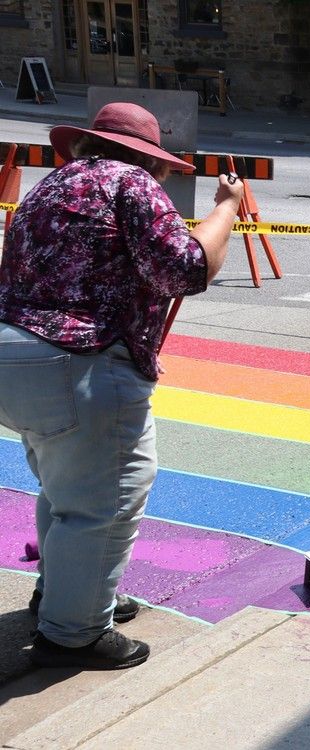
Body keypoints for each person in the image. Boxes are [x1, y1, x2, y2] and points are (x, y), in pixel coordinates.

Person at [0, 102, 243, 669]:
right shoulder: (130, 182)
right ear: (149, 159)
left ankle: (65, 594)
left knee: (65, 490)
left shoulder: (49, 185)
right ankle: (75, 631)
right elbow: (186, 268)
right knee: (108, 500)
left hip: (14, 354)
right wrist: (226, 209)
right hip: (80, 360)